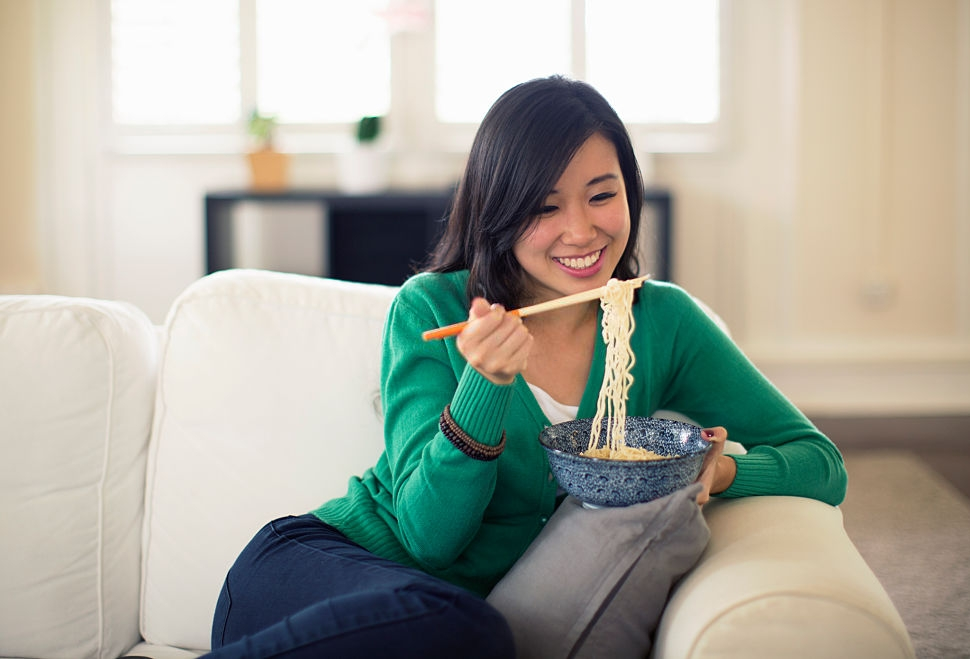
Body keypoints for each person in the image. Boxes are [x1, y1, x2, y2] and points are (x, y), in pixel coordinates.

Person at [206, 75, 848, 657]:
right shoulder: (431, 307)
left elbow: (820, 462)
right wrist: (483, 386)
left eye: (603, 196)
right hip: (319, 568)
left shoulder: (660, 321)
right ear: (498, 210)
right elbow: (430, 540)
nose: (581, 231)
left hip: (441, 628)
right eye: (544, 208)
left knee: (471, 635)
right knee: (471, 632)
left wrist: (722, 469)